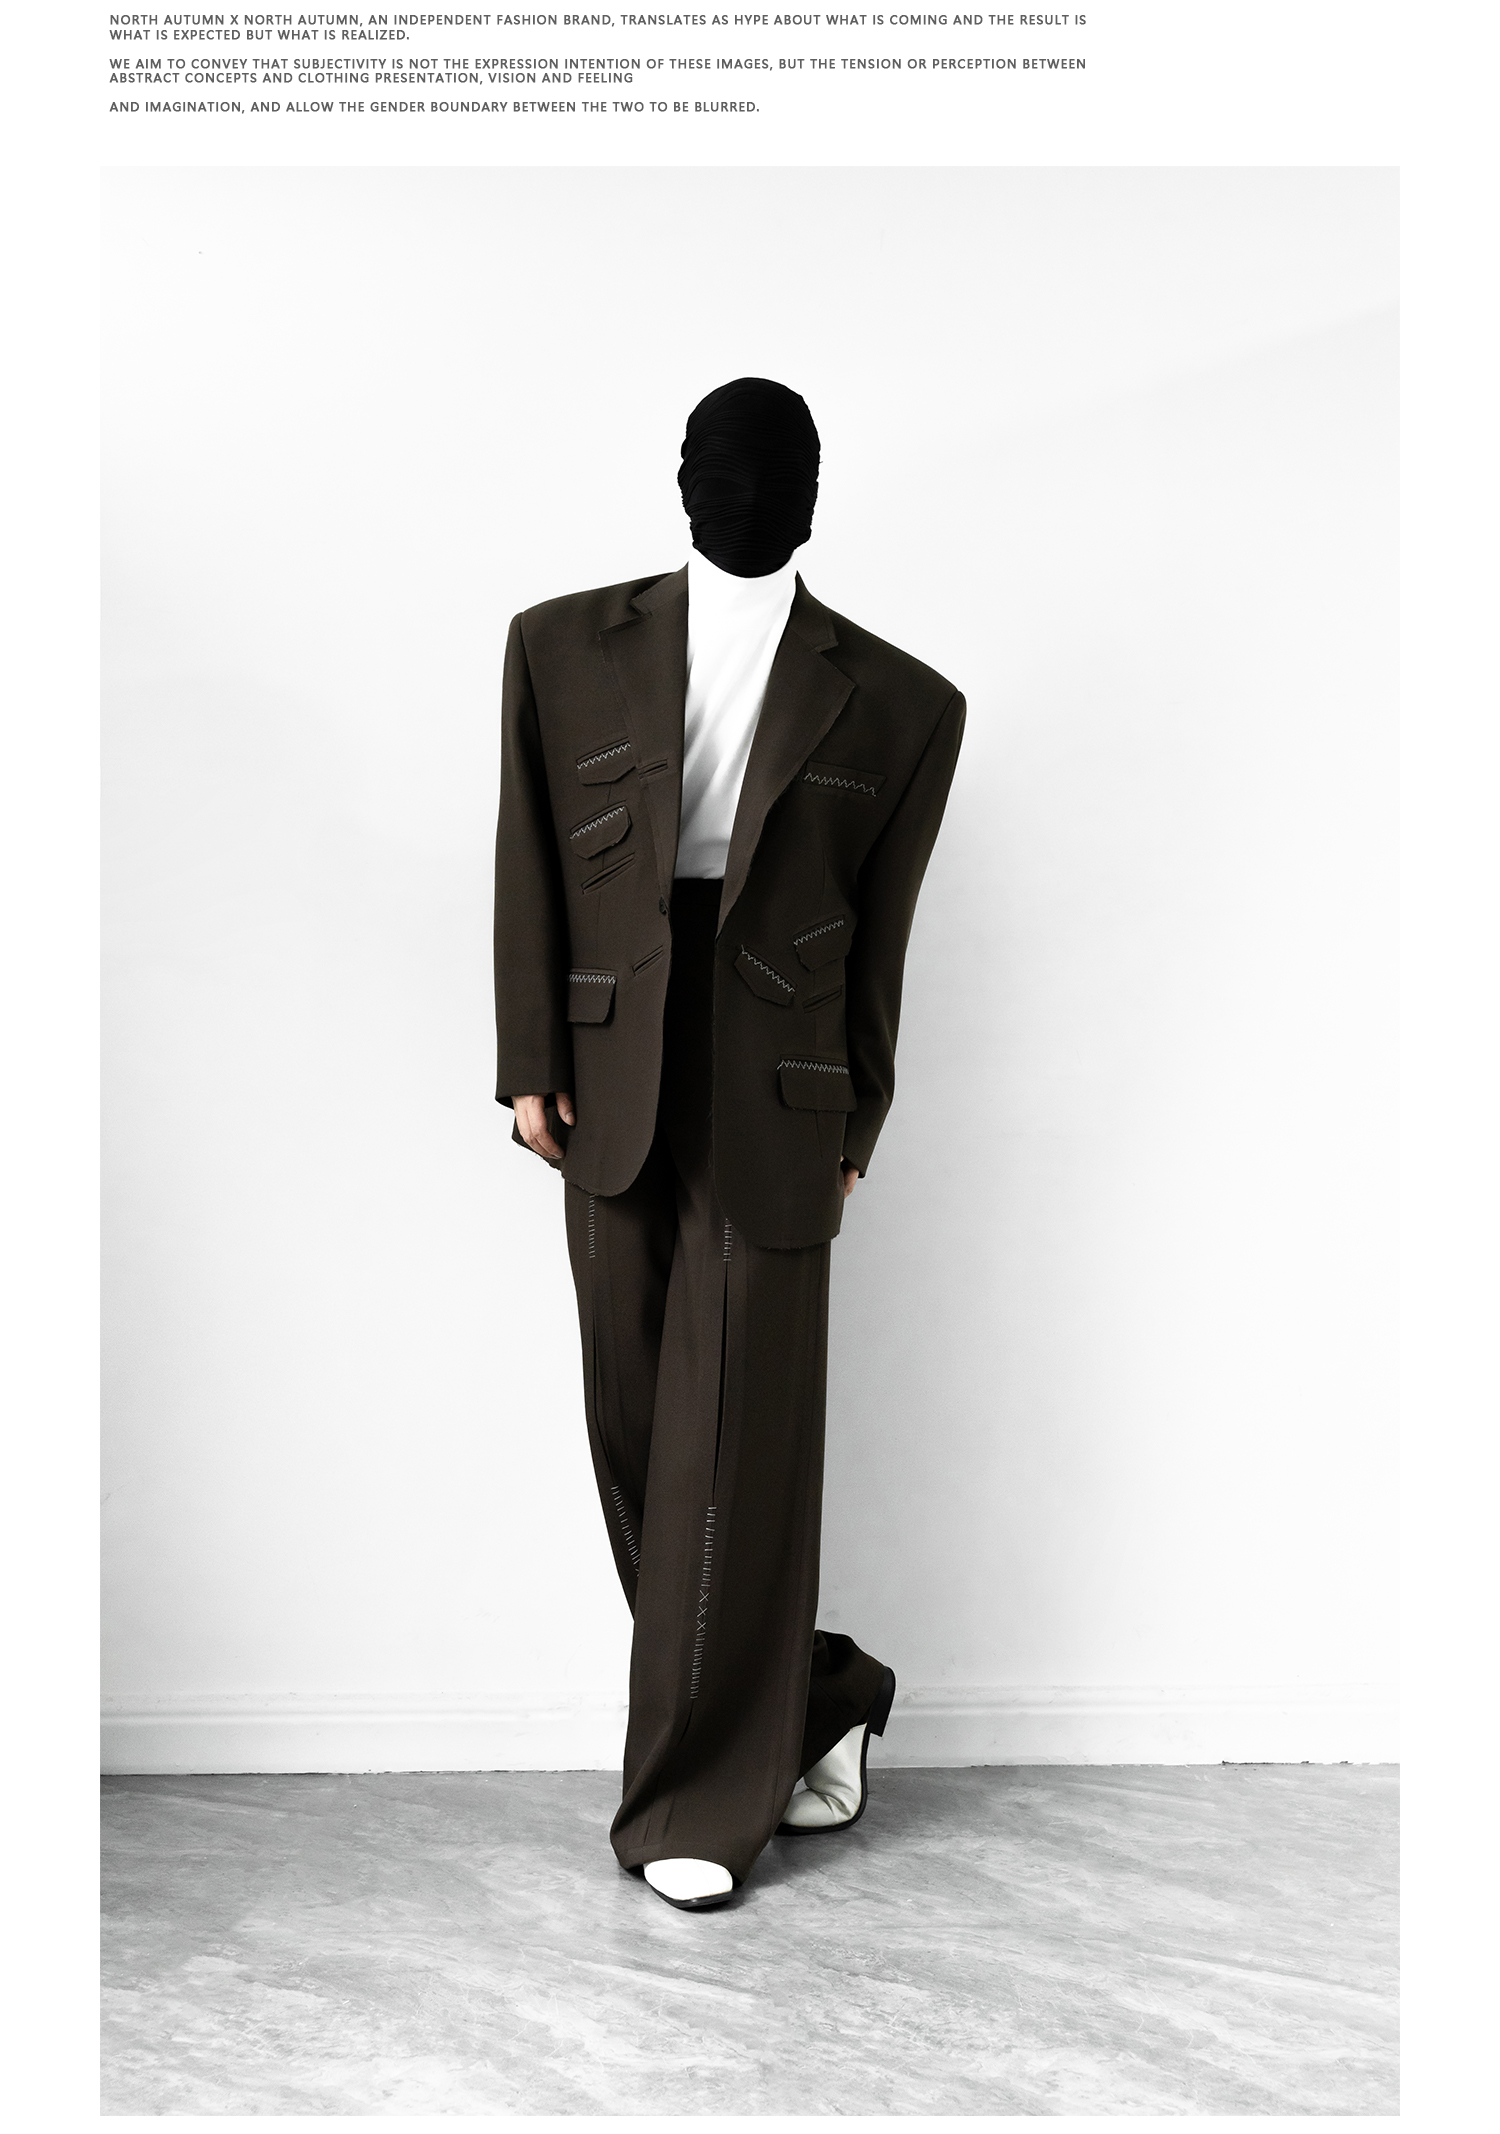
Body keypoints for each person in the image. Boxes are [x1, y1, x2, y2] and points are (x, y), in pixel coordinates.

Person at [494, 377, 965, 1909]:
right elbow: (527, 857)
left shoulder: (901, 702)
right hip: (610, 1063)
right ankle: (814, 1693)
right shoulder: (561, 645)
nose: (747, 488)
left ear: (815, 490)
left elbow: (881, 938)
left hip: (782, 1081)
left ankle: (699, 1801)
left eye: (776, 468)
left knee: (739, 1438)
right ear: (682, 476)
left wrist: (860, 1115)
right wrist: (527, 1059)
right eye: (722, 462)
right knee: (637, 1423)